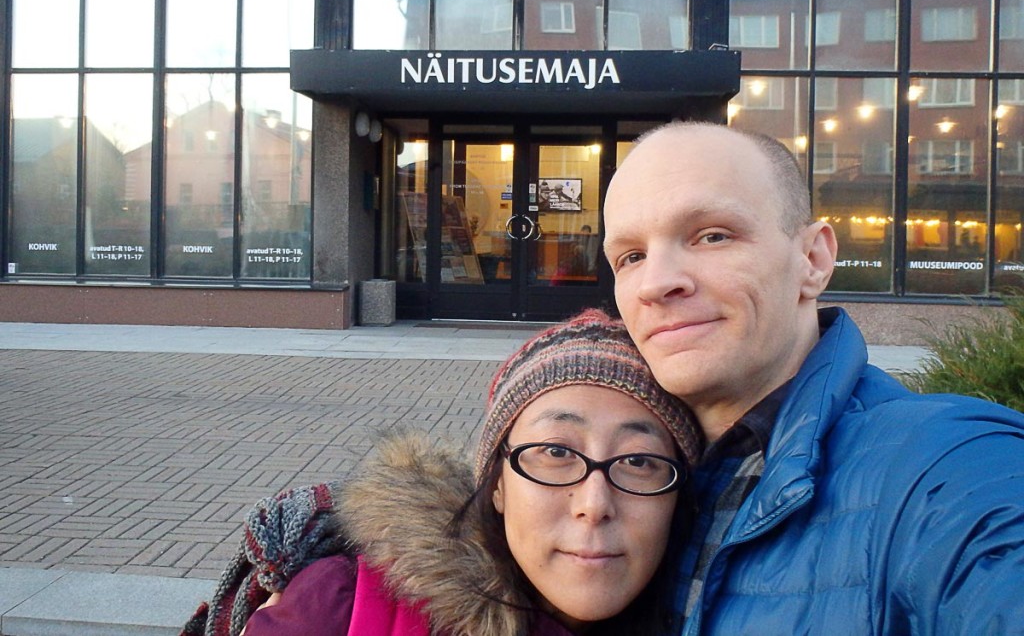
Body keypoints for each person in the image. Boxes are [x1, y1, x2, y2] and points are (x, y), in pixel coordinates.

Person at [602, 121, 1024, 635]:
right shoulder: (622, 473)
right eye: (632, 256)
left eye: (712, 235)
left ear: (813, 259)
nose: (656, 282)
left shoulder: (944, 467)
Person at [184, 309, 702, 636]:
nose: (594, 503)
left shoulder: (718, 611)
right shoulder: (340, 607)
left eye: (638, 461)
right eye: (555, 453)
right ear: (496, 483)